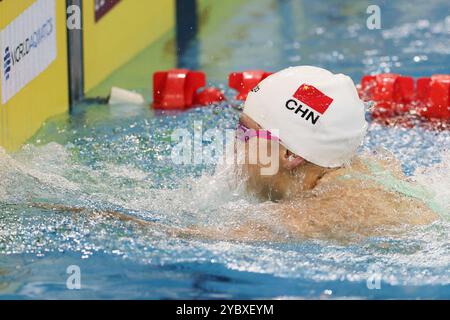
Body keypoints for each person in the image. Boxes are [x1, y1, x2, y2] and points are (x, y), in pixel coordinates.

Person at [36, 66, 438, 243]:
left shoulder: (324, 211)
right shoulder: (355, 170)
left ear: (291, 155)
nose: (235, 143)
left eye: (246, 131)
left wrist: (59, 207)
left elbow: (195, 238)